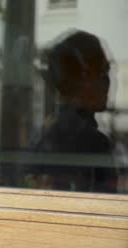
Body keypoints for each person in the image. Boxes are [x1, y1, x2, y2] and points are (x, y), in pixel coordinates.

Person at [31, 30, 118, 192]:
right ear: (84, 78)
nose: (108, 82)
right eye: (103, 72)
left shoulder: (48, 132)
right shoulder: (92, 142)